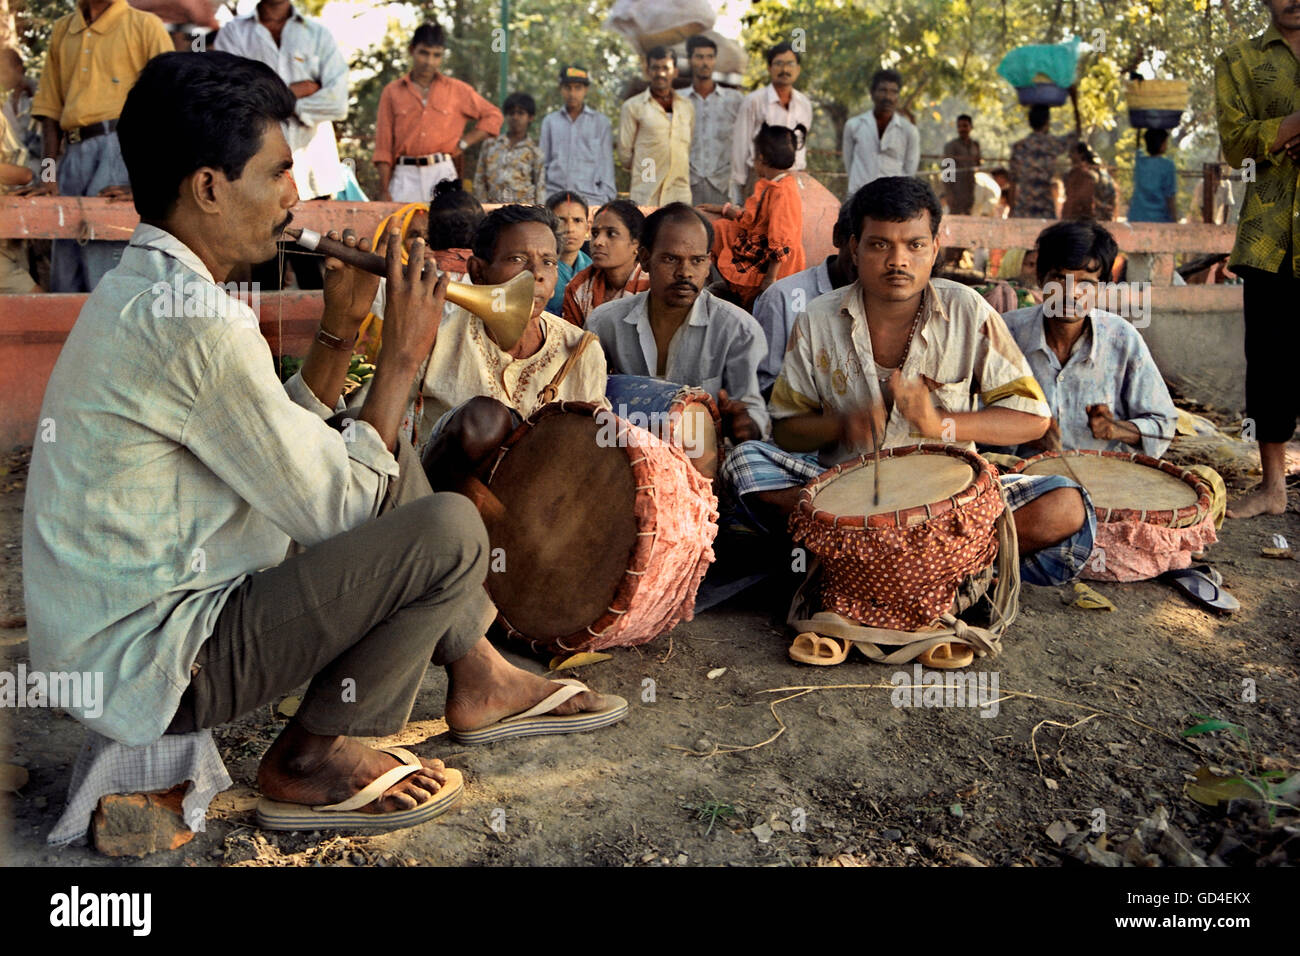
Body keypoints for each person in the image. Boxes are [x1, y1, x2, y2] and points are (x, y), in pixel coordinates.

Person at [23, 52, 622, 834]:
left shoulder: (147, 291)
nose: (295, 198)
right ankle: (313, 754)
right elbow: (337, 508)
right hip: (156, 664)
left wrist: (339, 336)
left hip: (120, 645)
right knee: (447, 530)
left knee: (367, 448)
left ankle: (478, 672)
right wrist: (403, 356)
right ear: (208, 187)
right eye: (275, 174)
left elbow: (278, 449)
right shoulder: (198, 324)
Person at [719, 177, 1095, 590]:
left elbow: (1032, 419)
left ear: (934, 249)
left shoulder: (968, 310)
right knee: (745, 463)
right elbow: (788, 428)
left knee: (1065, 503)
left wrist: (942, 425)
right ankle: (937, 567)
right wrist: (843, 424)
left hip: (952, 501)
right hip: (847, 494)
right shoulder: (817, 318)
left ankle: (871, 563)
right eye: (880, 244)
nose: (898, 261)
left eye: (914, 245)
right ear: (853, 249)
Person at [416, 203, 610, 496]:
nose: (536, 275)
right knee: (484, 419)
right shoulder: (433, 337)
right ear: (478, 272)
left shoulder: (582, 350)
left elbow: (591, 452)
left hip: (539, 514)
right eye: (517, 259)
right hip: (441, 506)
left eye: (548, 262)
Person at [1214, 0, 1300, 517]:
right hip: (1269, 235)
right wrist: (1290, 126)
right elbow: (1235, 144)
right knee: (1269, 360)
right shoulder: (1238, 60)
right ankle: (1273, 488)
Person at [587, 203, 768, 444]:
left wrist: (746, 426)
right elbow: (586, 398)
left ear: (708, 264)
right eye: (671, 259)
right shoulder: (604, 322)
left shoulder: (739, 330)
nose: (685, 272)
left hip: (703, 461)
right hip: (624, 455)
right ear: (645, 259)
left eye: (697, 261)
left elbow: (753, 414)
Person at [1001, 220, 1178, 458]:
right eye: (1060, 278)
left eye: (1086, 283)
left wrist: (1117, 430)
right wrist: (1023, 432)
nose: (1071, 293)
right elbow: (971, 412)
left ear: (1102, 287)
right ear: (1041, 278)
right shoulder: (1006, 333)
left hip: (1104, 477)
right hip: (1021, 477)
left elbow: (1163, 425)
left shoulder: (1122, 339)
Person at [28, 0, 171, 292]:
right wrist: (48, 174)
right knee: (65, 275)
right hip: (73, 155)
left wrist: (145, 181)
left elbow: (171, 106)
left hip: (123, 150)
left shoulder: (144, 25)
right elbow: (50, 111)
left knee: (107, 269)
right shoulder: (63, 30)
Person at [215, 0, 351, 291]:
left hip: (313, 177)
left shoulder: (318, 35)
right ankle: (262, 338)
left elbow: (338, 104)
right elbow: (231, 101)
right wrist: (297, 92)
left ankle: (322, 337)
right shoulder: (233, 34)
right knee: (265, 274)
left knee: (314, 273)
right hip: (258, 172)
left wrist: (270, 101)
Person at [372, 23, 503, 204]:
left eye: (436, 55)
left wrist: (464, 143)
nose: (429, 61)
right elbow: (383, 147)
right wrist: (383, 190)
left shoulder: (457, 90)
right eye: (424, 53)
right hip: (405, 175)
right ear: (412, 50)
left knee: (447, 227)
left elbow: (494, 116)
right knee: (400, 228)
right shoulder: (392, 92)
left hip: (442, 172)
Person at [751, 201, 857, 396]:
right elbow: (761, 387)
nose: (867, 259)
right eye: (858, 245)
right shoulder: (783, 298)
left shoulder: (893, 302)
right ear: (838, 236)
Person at [701, 123, 807, 307]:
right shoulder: (773, 185)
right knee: (720, 228)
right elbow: (752, 219)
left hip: (776, 267)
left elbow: (780, 240)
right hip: (763, 248)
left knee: (719, 233)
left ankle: (744, 297)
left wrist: (770, 279)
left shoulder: (783, 193)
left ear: (761, 158)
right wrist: (724, 210)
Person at [729, 41, 812, 205]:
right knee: (757, 228)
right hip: (760, 177)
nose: (785, 70)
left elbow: (802, 145)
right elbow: (740, 145)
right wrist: (739, 188)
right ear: (769, 68)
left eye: (790, 64)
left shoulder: (804, 104)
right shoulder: (754, 101)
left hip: (793, 178)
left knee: (785, 226)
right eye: (778, 64)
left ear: (798, 69)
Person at [618, 46, 693, 206]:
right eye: (655, 68)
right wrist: (649, 170)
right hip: (647, 192)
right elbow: (625, 155)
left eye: (666, 68)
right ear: (648, 71)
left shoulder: (686, 106)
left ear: (675, 72)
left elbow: (687, 148)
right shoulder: (633, 106)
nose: (661, 73)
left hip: (679, 193)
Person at [562, 199, 649, 327]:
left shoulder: (652, 287)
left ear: (636, 243)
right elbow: (571, 339)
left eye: (611, 234)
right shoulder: (578, 288)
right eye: (595, 233)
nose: (598, 242)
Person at [539, 65, 616, 207]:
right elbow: (542, 164)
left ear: (586, 89)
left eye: (578, 87)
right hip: (555, 199)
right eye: (568, 87)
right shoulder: (550, 122)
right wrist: (543, 198)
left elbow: (607, 167)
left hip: (591, 199)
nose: (572, 93)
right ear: (561, 89)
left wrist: (606, 199)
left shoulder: (600, 123)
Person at [684, 34, 742, 206]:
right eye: (699, 57)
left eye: (710, 57)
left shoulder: (735, 100)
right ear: (689, 60)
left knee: (723, 231)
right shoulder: (678, 100)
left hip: (723, 184)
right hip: (688, 183)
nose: (705, 63)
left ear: (715, 60)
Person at [842, 68, 920, 194]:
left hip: (893, 201)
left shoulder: (909, 131)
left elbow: (909, 172)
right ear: (872, 93)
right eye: (883, 90)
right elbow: (849, 164)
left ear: (898, 96)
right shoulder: (854, 125)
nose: (888, 97)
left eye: (893, 92)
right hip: (859, 198)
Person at [1007, 101, 1080, 219]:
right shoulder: (1052, 144)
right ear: (1047, 122)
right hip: (1045, 206)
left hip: (1023, 206)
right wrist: (1074, 101)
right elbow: (1076, 134)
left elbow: (1012, 181)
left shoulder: (1019, 147)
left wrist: (1011, 208)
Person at [473, 91, 544, 204]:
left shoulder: (535, 150)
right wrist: (483, 207)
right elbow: (479, 180)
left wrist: (539, 213)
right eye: (511, 113)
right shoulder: (490, 144)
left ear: (530, 117)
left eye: (520, 113)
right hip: (493, 209)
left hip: (524, 211)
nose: (515, 117)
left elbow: (540, 184)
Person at [544, 190, 592, 315]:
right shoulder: (537, 267)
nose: (570, 229)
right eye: (561, 220)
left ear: (587, 228)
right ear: (547, 225)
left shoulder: (593, 268)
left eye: (577, 220)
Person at [1128, 128, 1178, 223]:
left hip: (1136, 218)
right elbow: (1170, 196)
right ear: (1162, 145)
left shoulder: (1140, 162)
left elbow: (1137, 147)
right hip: (1159, 219)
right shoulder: (1168, 165)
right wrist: (1174, 219)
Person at [941, 114, 981, 214]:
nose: (962, 129)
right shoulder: (951, 146)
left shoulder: (975, 145)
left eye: (965, 126)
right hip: (956, 190)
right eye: (959, 126)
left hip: (970, 189)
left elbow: (978, 164)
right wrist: (949, 194)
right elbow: (947, 172)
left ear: (971, 127)